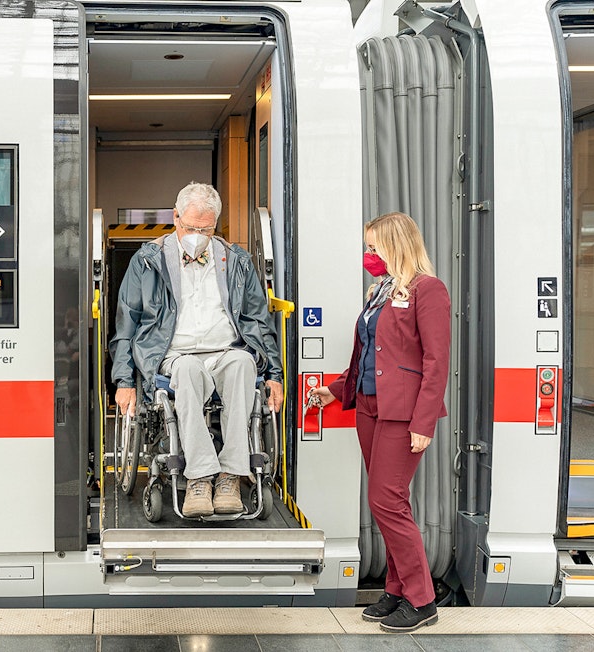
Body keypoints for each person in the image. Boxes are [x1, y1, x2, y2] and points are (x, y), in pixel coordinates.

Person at [309, 212, 449, 632]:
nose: (368, 255)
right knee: (388, 502)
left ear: (396, 245)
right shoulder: (381, 291)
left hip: (402, 414)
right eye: (367, 248)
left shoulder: (429, 290)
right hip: (369, 408)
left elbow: (436, 362)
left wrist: (423, 422)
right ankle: (397, 588)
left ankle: (422, 599)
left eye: (374, 247)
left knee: (386, 502)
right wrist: (337, 389)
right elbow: (368, 354)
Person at [110, 182, 283, 518]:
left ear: (215, 226)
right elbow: (126, 324)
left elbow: (258, 320)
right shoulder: (148, 261)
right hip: (174, 355)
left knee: (244, 364)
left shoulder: (235, 261)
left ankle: (231, 474)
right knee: (188, 371)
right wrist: (124, 380)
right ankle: (201, 476)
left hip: (225, 351)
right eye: (190, 227)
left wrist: (274, 374)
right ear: (175, 218)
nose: (197, 235)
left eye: (205, 229)